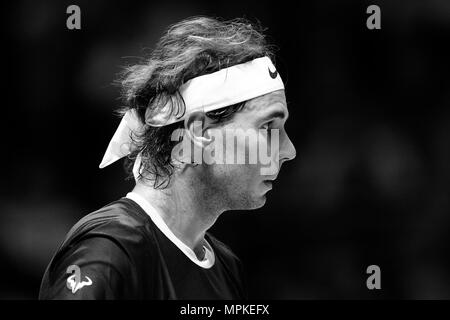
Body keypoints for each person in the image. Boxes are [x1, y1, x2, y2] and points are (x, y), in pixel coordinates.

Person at [39, 16, 296, 300]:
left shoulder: (226, 266)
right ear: (199, 131)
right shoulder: (107, 252)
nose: (288, 150)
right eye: (268, 127)